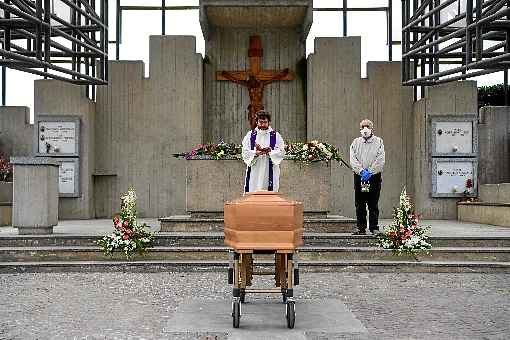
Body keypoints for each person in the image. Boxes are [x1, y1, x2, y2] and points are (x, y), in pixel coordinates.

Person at [349, 119, 385, 235]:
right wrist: (360, 171)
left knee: (373, 203)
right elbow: (353, 159)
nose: (365, 129)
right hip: (360, 177)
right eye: (363, 126)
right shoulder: (355, 142)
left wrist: (370, 172)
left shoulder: (378, 141)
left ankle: (374, 227)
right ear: (360, 129)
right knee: (360, 203)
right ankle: (361, 228)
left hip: (373, 177)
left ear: (371, 128)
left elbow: (380, 159)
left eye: (367, 126)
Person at [241, 111, 285, 193]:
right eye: (261, 122)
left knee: (269, 191)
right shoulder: (250, 135)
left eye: (265, 122)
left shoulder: (276, 136)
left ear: (268, 122)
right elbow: (244, 151)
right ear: (257, 122)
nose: (263, 124)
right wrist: (255, 153)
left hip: (270, 168)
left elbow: (282, 152)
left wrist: (270, 152)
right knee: (253, 189)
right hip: (255, 168)